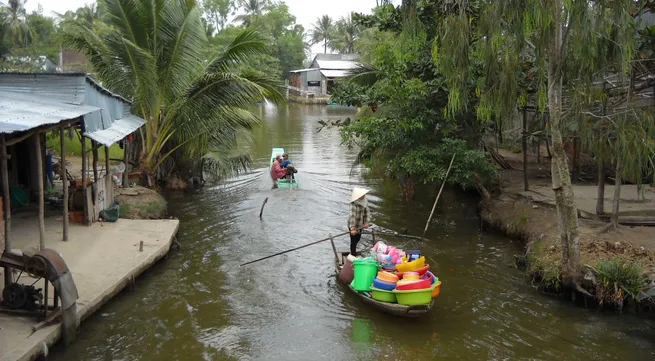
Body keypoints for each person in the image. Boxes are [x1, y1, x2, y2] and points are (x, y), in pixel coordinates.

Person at [348, 187, 370, 256]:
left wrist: (366, 222)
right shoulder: (353, 204)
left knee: (358, 238)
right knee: (353, 241)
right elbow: (352, 216)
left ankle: (354, 252)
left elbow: (367, 212)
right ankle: (353, 254)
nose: (363, 196)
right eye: (361, 195)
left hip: (361, 224)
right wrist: (352, 228)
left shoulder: (365, 201)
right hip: (353, 224)